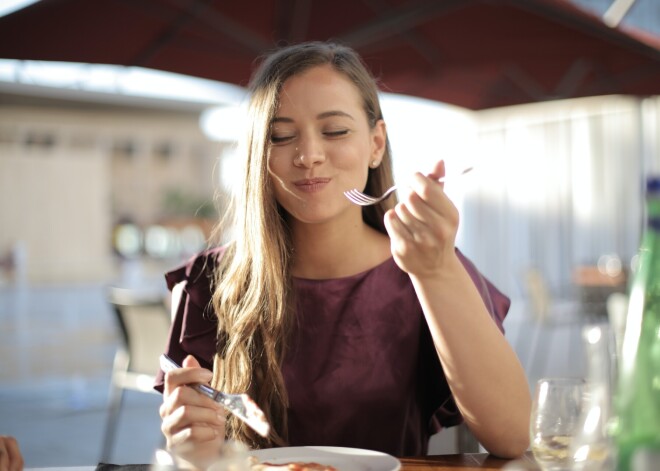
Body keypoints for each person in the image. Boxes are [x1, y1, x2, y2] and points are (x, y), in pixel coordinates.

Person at [155, 41, 531, 468]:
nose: (309, 156)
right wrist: (191, 448)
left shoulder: (428, 266)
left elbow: (513, 434)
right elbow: (197, 452)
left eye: (335, 131)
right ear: (259, 154)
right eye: (280, 136)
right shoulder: (210, 282)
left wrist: (436, 270)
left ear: (376, 143)